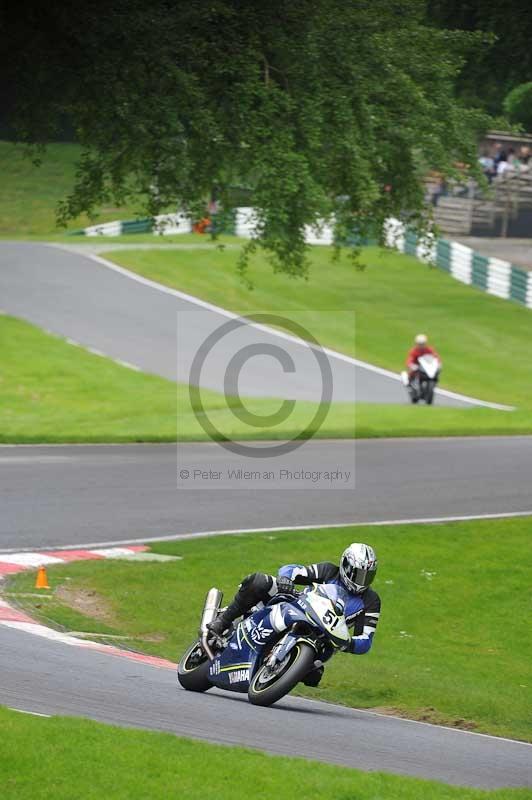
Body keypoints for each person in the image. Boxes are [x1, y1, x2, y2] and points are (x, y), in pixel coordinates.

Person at [207, 542, 381, 686]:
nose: (361, 581)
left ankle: (284, 668)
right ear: (345, 566)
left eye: (367, 576)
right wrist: (286, 579)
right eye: (358, 574)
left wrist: (348, 643)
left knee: (314, 675)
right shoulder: (329, 571)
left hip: (323, 641)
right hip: (297, 607)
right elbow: (294, 570)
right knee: (259, 582)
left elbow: (366, 639)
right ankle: (223, 621)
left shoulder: (371, 601)